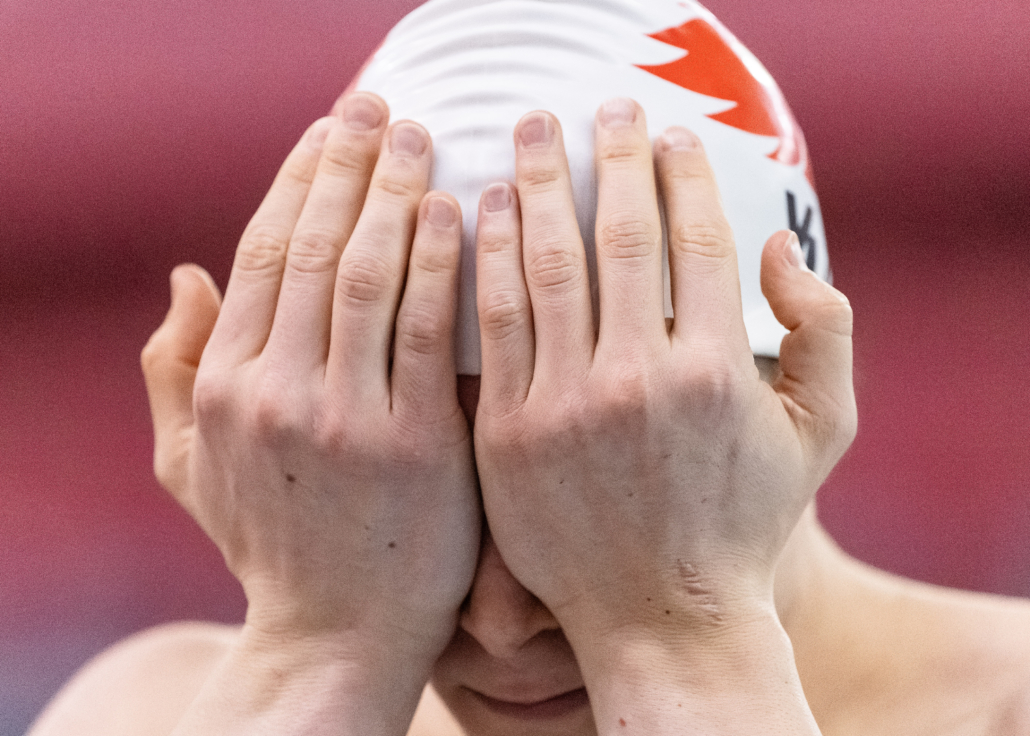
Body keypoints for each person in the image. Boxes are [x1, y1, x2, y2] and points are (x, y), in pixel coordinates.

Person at [25, 89, 1030, 736]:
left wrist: (674, 635)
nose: (501, 625)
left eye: (592, 474)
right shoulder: (150, 712)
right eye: (414, 502)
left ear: (794, 384)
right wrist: (317, 651)